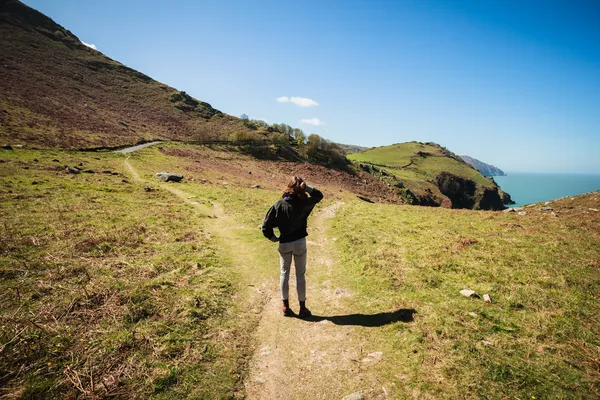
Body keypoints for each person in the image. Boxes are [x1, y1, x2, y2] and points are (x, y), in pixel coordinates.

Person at [261, 176, 323, 318]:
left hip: (284, 243)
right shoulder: (305, 203)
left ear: (288, 187)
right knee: (300, 276)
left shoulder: (278, 204)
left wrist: (272, 237)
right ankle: (302, 308)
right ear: (301, 188)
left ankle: (286, 307)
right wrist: (306, 188)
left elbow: (265, 226)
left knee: (284, 274)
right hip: (300, 242)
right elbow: (319, 195)